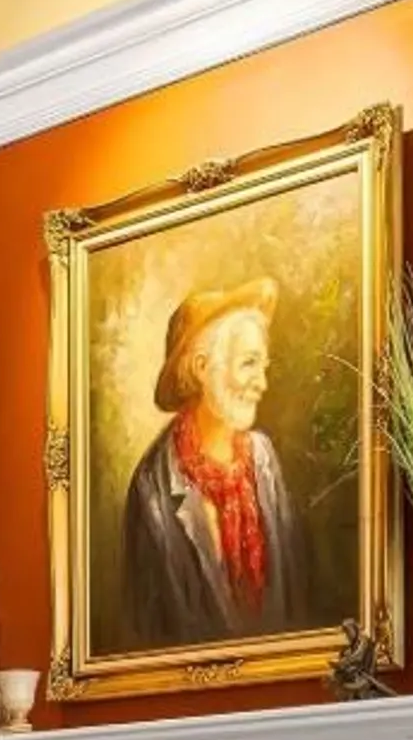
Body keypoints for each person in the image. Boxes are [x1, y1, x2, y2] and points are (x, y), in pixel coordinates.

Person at [114, 278, 313, 653]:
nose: (263, 383)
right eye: (249, 364)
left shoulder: (264, 459)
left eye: (264, 365)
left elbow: (295, 592)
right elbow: (146, 635)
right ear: (203, 367)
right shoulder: (152, 486)